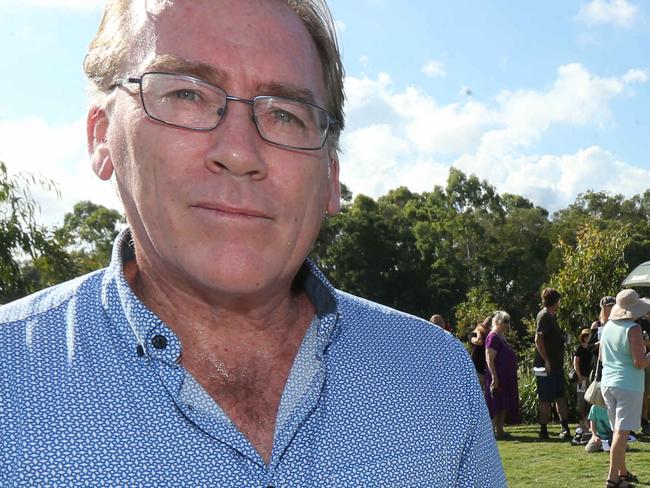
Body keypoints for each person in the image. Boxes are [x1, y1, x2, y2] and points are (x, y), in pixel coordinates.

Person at [0, 1, 506, 486]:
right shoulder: (12, 379)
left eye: (286, 113)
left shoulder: (434, 380)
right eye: (186, 93)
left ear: (331, 176)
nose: (240, 151)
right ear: (101, 136)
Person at [601, 290, 650, 488]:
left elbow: (605, 357)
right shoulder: (633, 329)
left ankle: (621, 473)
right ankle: (613, 479)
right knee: (622, 433)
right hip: (627, 385)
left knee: (617, 432)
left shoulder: (608, 327)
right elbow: (640, 362)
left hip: (608, 383)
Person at [533, 287, 571, 440]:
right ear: (555, 301)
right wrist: (546, 360)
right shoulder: (543, 316)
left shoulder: (552, 317)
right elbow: (538, 339)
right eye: (559, 300)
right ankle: (543, 430)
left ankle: (565, 427)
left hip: (557, 366)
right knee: (545, 398)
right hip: (546, 366)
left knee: (560, 396)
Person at [484, 311, 519, 440]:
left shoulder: (501, 337)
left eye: (508, 321)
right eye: (505, 321)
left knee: (503, 404)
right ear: (497, 322)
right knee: (495, 403)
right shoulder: (492, 337)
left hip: (506, 377)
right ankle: (491, 432)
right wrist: (494, 377)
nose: (507, 324)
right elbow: (489, 359)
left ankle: (500, 430)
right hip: (497, 376)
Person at [574, 328, 594, 429]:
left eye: (589, 335)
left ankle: (590, 422)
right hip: (582, 378)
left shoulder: (592, 348)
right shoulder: (579, 349)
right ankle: (583, 420)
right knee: (581, 400)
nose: (587, 337)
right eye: (586, 335)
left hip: (591, 378)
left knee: (591, 400)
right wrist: (579, 376)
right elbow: (575, 363)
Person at [470, 316, 490, 390]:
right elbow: (479, 342)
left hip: (486, 370)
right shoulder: (472, 335)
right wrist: (478, 332)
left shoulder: (489, 337)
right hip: (476, 369)